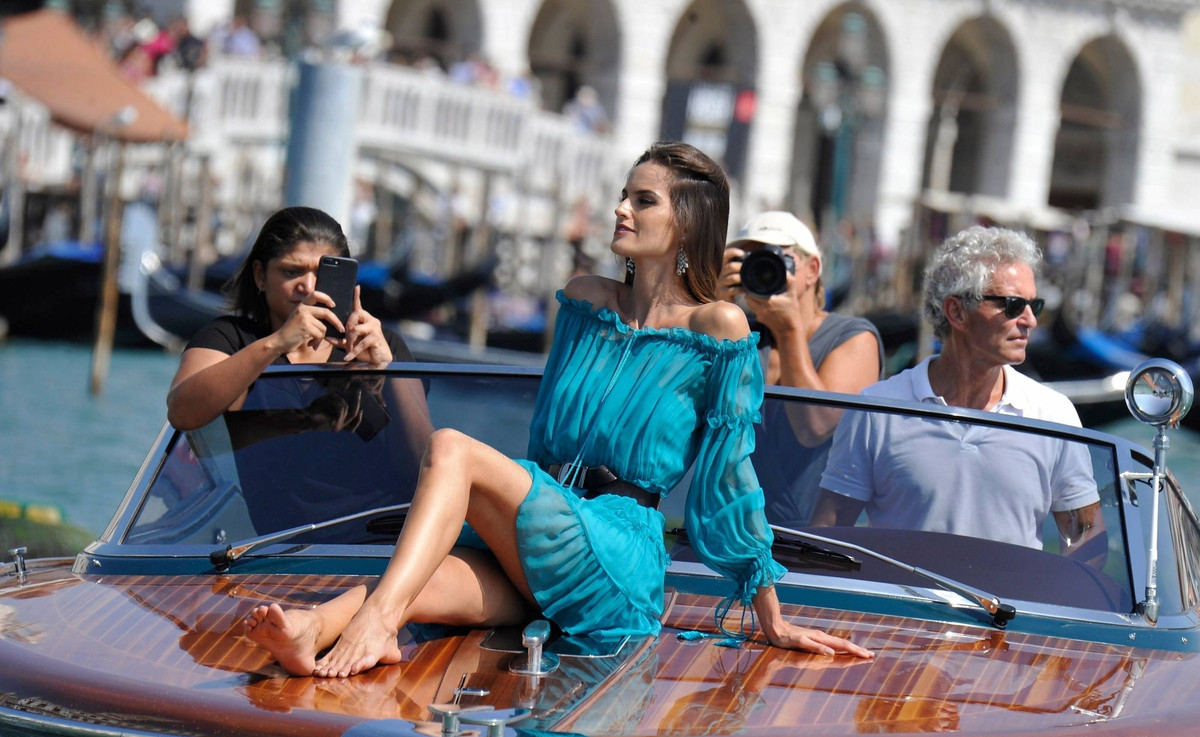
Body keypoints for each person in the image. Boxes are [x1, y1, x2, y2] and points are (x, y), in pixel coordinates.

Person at [243, 142, 875, 678]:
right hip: (547, 524)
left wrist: (770, 610)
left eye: (644, 200)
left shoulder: (720, 326)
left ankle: (374, 626)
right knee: (430, 574)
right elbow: (547, 440)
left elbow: (731, 475)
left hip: (619, 551)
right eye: (624, 194)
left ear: (687, 223)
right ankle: (313, 625)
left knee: (451, 448)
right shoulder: (584, 299)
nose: (622, 208)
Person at [810, 226, 1103, 555]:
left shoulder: (1054, 413)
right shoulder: (876, 410)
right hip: (898, 607)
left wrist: (1050, 600)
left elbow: (1086, 538)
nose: (1030, 320)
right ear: (957, 312)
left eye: (1035, 305)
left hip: (1011, 607)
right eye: (1011, 305)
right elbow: (827, 536)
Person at [166, 206, 412, 433]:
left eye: (322, 273)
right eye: (292, 272)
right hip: (266, 481)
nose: (308, 287)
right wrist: (277, 343)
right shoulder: (229, 338)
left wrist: (388, 373)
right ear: (260, 275)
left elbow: (416, 454)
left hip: (363, 481)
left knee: (447, 441)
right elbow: (181, 414)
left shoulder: (383, 344)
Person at [717, 210, 883, 526]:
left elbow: (814, 426)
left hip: (808, 542)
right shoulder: (735, 333)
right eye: (749, 258)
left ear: (812, 269)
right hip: (724, 529)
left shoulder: (854, 338)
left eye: (778, 257)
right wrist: (712, 308)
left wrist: (789, 331)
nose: (764, 267)